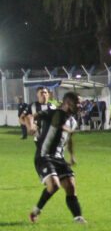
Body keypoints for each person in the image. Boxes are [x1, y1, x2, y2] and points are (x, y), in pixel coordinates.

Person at [26, 92, 86, 224]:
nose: (80, 106)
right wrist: (31, 126)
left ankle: (78, 217)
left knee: (70, 186)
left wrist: (71, 156)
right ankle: (36, 210)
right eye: (77, 103)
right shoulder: (54, 113)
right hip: (44, 156)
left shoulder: (73, 121)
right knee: (54, 185)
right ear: (67, 103)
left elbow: (69, 139)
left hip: (59, 158)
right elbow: (30, 116)